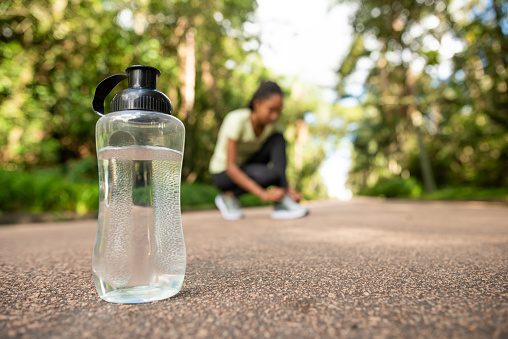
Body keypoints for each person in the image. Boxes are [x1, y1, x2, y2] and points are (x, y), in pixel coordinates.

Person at [209, 81, 309, 220]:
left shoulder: (273, 126)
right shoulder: (236, 120)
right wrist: (263, 194)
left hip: (247, 166)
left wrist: (289, 190)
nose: (275, 116)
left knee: (278, 139)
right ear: (257, 104)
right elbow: (231, 167)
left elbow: (279, 163)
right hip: (223, 172)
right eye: (271, 110)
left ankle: (282, 199)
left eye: (278, 111)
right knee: (269, 175)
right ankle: (228, 196)